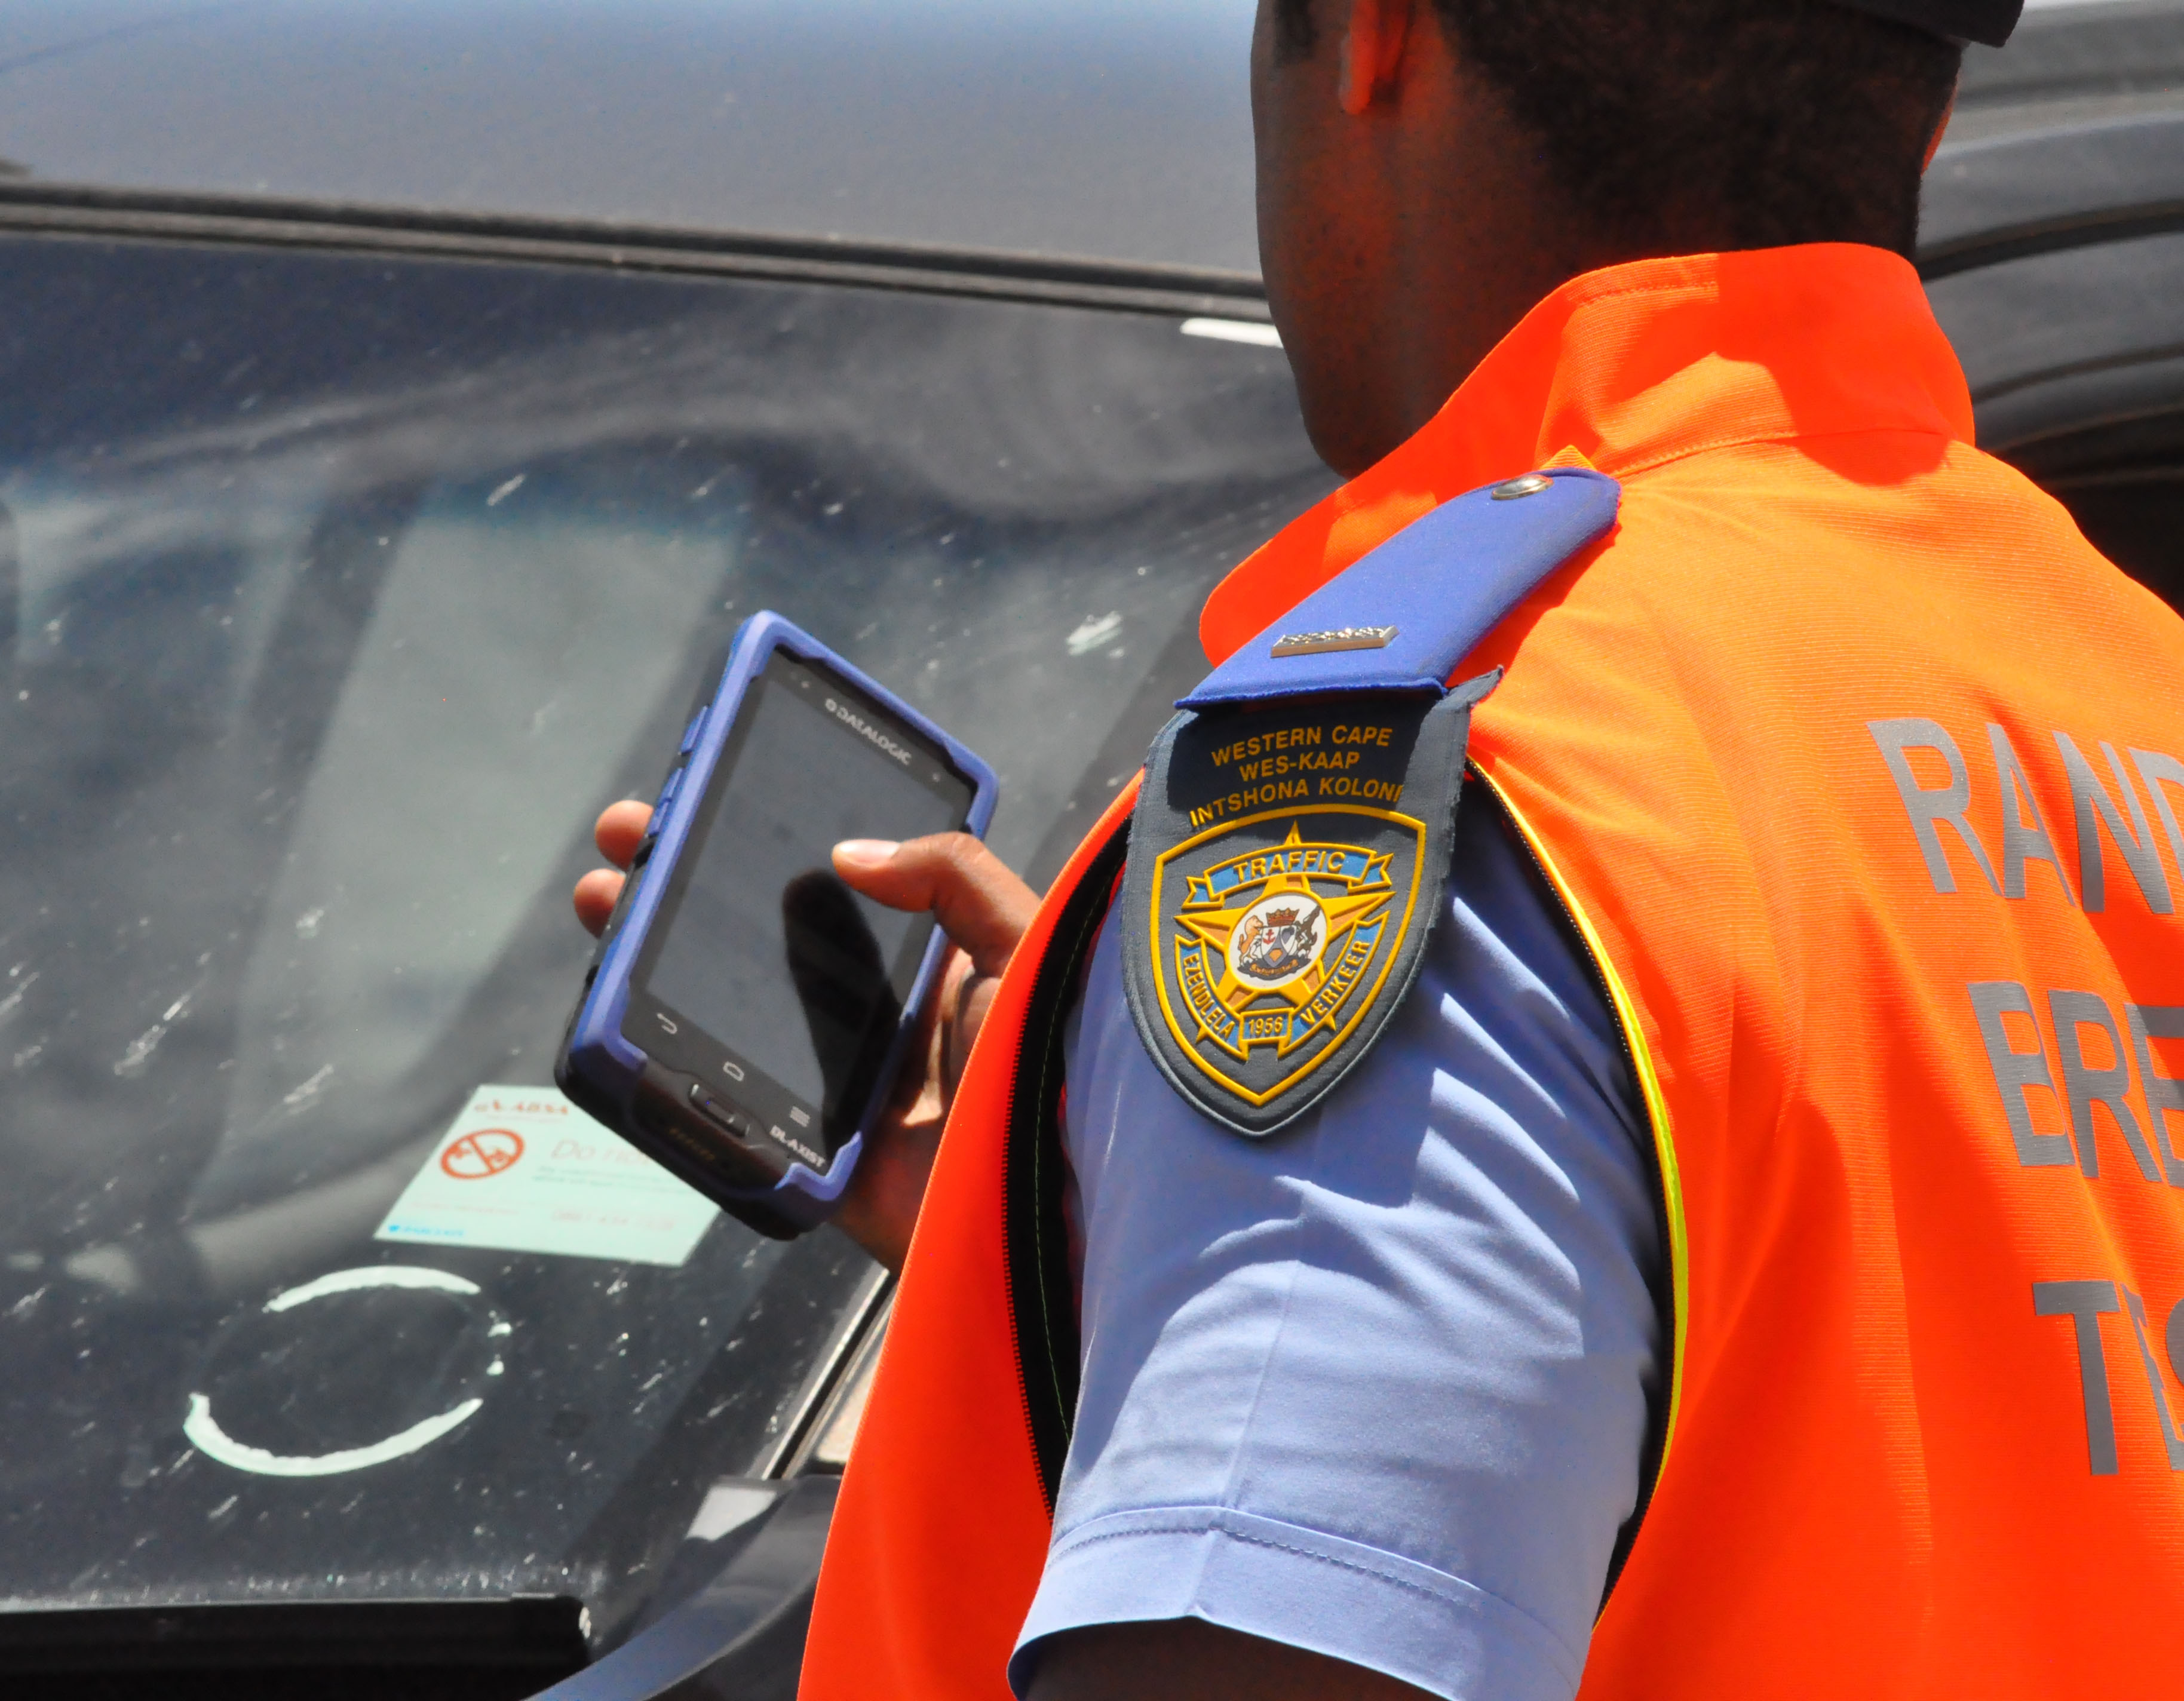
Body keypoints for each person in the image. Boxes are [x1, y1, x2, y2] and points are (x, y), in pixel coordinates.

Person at [578, 0, 2184, 1694]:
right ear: (1920, 117)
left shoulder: (1448, 796)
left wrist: (1268, 1168)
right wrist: (1104, 1244)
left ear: (1372, 39)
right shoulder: (2132, 683)